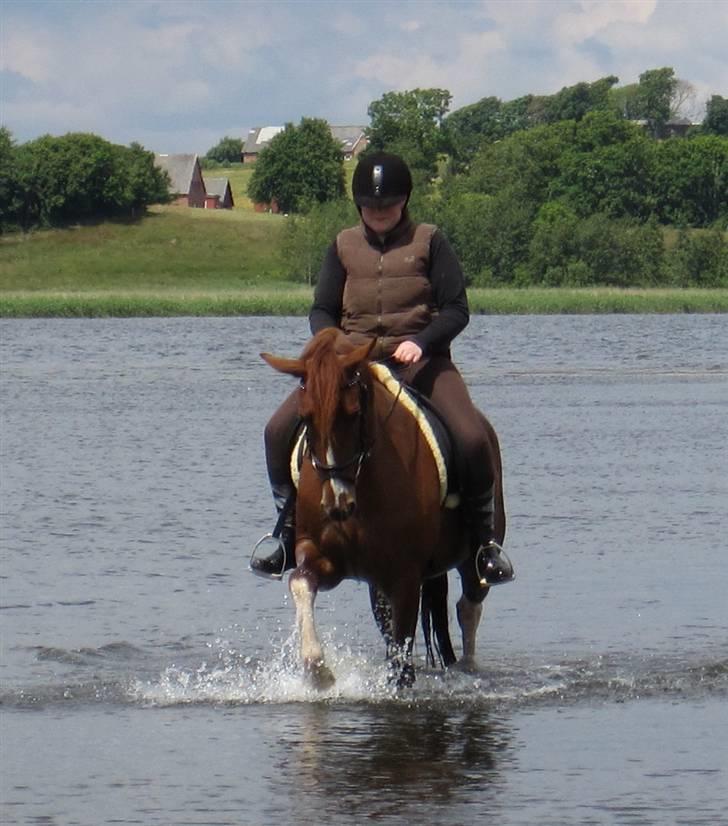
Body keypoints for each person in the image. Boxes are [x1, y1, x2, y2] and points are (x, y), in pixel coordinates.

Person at [251, 152, 514, 587]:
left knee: (470, 437)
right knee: (277, 429)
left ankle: (485, 544)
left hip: (421, 363)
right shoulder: (342, 245)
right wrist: (332, 348)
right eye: (371, 208)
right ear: (358, 207)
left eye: (387, 207)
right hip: (352, 366)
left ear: (404, 201)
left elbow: (456, 309)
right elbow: (322, 309)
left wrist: (422, 342)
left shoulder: (430, 240)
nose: (379, 215)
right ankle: (284, 531)